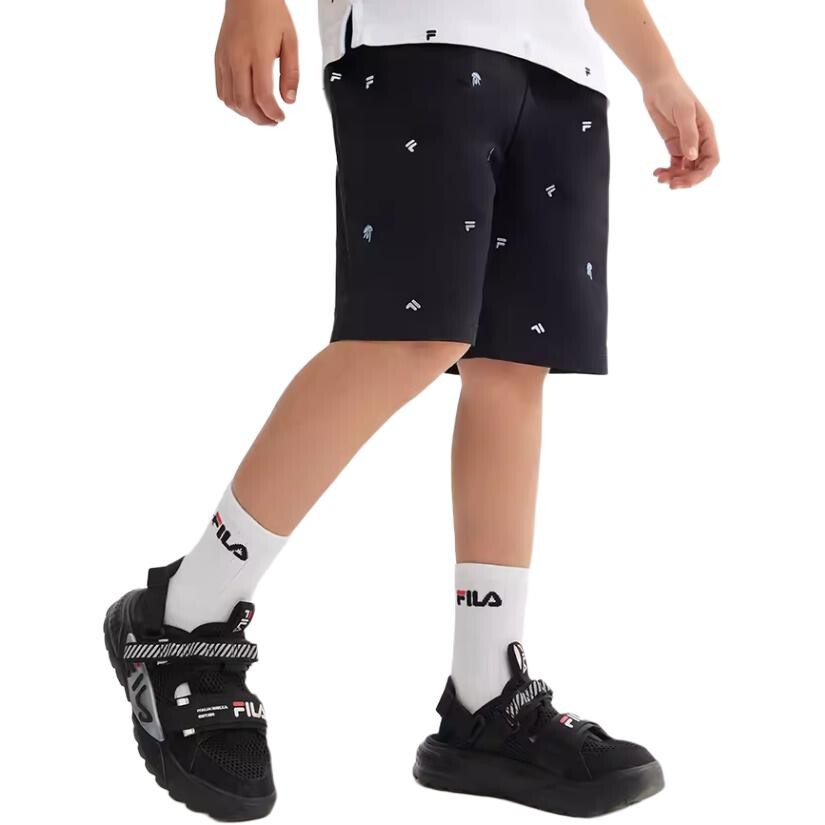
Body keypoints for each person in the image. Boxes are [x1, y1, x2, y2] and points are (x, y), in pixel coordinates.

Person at [105, 0, 719, 819]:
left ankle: (484, 696)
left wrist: (657, 71)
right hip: (414, 32)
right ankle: (184, 613)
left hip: (564, 67)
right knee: (407, 335)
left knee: (513, 365)